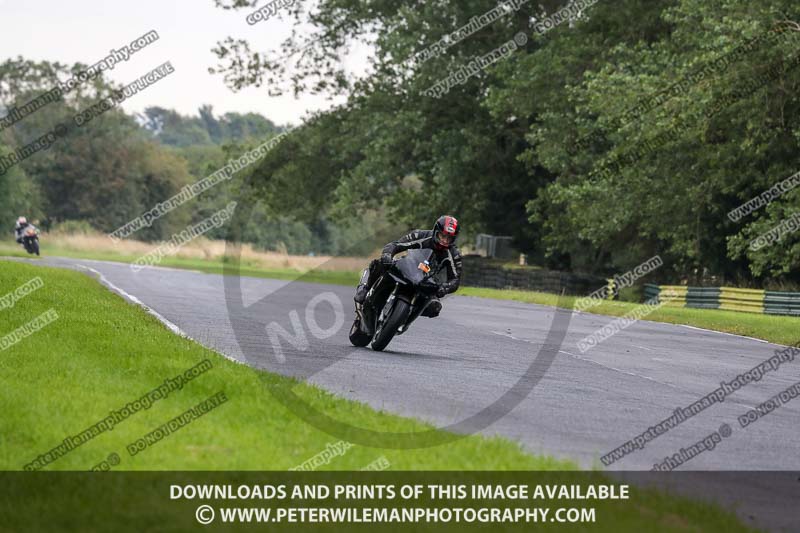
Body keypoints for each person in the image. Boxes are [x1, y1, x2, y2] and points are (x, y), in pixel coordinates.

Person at [354, 215, 462, 318]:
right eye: (442, 236)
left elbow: (455, 280)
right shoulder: (421, 235)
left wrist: (444, 288)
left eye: (449, 238)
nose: (444, 241)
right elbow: (395, 245)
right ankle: (365, 288)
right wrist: (387, 255)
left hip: (427, 280)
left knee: (434, 307)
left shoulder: (453, 253)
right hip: (408, 266)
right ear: (436, 231)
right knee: (380, 263)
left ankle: (405, 316)